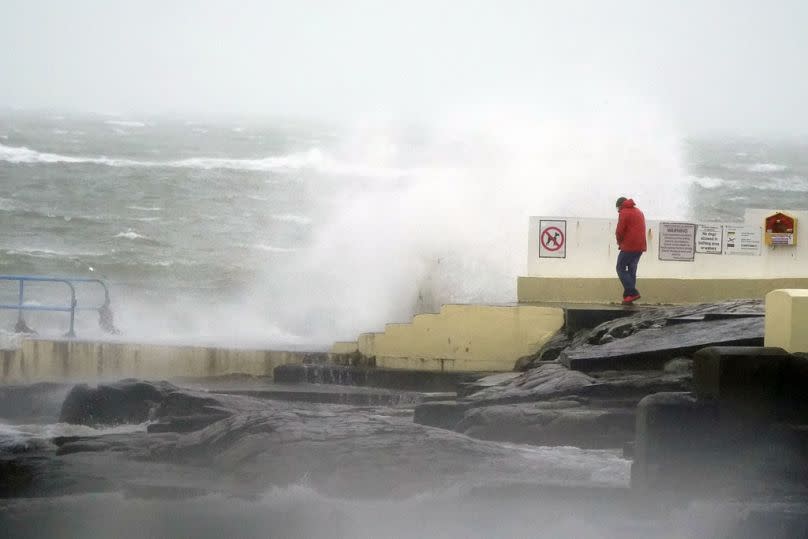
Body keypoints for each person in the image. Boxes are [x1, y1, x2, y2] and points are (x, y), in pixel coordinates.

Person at [615, 197, 646, 305]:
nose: (618, 211)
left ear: (619, 205)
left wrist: (620, 243)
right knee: (631, 270)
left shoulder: (624, 212)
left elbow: (619, 231)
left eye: (617, 209)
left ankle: (633, 293)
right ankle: (628, 296)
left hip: (629, 246)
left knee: (620, 267)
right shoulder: (639, 212)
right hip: (640, 247)